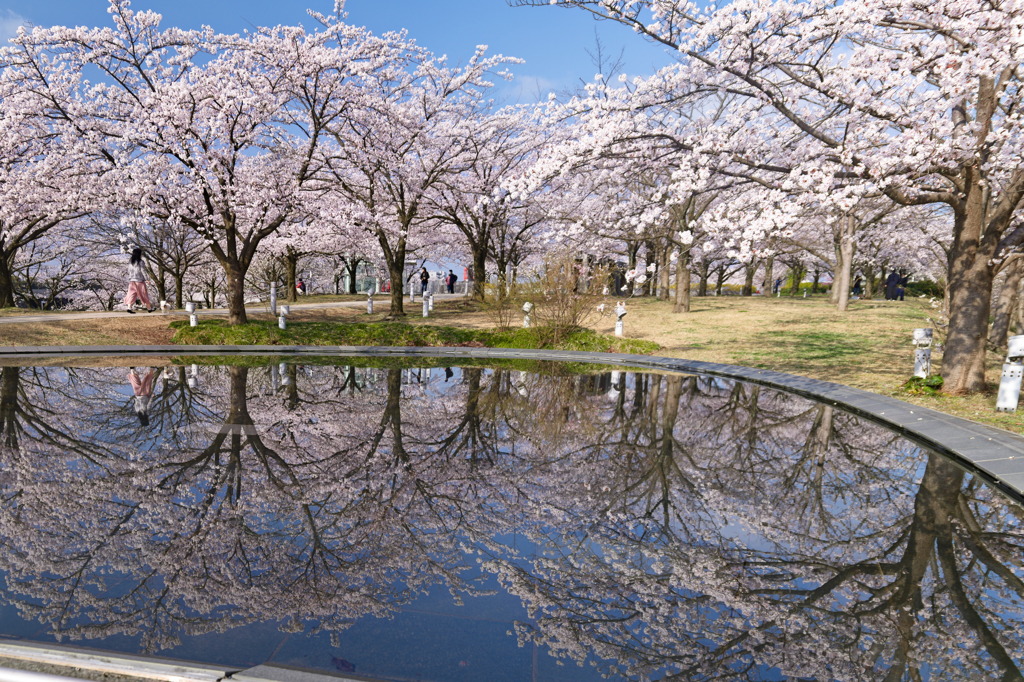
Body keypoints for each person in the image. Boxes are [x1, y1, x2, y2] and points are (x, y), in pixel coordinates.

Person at [124, 247, 154, 313]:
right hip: (139, 281)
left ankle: (129, 308)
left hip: (132, 281)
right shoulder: (141, 262)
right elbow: (143, 271)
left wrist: (130, 277)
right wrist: (146, 279)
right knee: (143, 294)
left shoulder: (130, 262)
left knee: (131, 294)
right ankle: (149, 308)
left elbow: (129, 271)